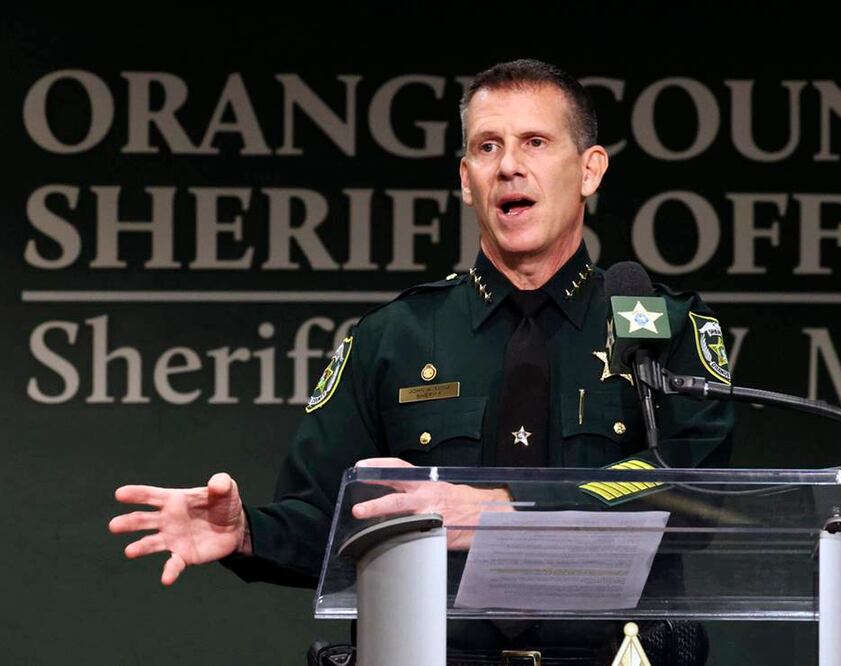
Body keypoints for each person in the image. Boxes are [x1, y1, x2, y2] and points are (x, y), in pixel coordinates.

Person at [111, 59, 734, 664]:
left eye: (535, 142)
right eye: (487, 148)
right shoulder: (394, 337)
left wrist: (506, 511)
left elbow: (695, 493)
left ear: (590, 169)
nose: (510, 166)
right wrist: (246, 533)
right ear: (466, 180)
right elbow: (329, 515)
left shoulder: (664, 328)